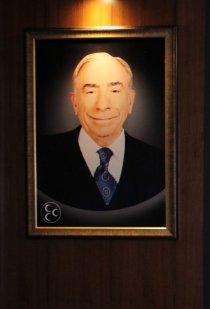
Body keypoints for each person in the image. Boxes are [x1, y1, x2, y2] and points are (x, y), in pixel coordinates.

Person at [37, 52, 164, 219]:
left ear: (130, 101)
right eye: (90, 91)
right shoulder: (39, 157)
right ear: (75, 102)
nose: (102, 105)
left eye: (115, 90)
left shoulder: (159, 165)